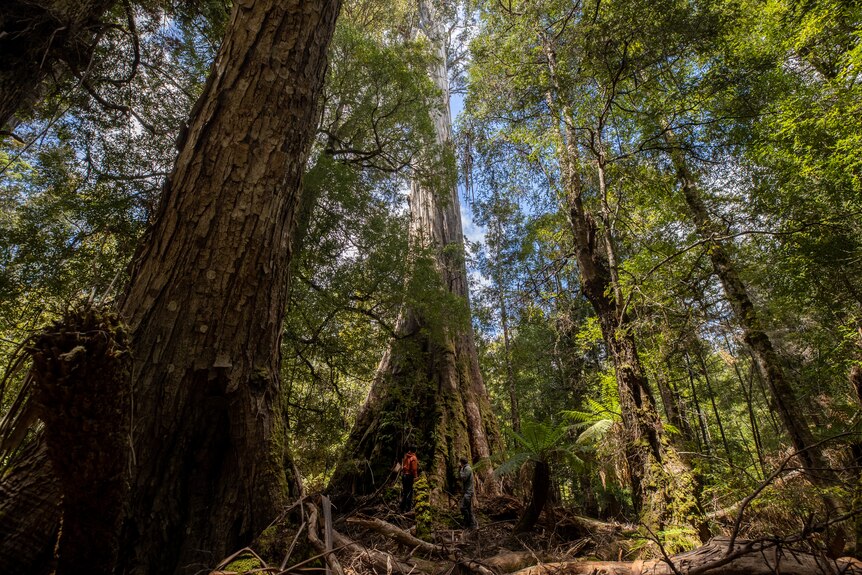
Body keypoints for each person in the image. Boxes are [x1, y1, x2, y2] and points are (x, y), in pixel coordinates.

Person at [459, 456, 478, 529]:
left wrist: (460, 470)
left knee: (463, 507)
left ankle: (467, 523)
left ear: (461, 462)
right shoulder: (466, 468)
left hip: (468, 492)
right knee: (469, 509)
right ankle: (473, 525)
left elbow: (464, 478)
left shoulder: (467, 468)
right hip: (467, 492)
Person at [399, 445, 419, 512]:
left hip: (404, 475)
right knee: (409, 492)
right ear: (415, 451)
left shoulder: (406, 456)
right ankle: (408, 509)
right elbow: (414, 469)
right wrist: (416, 477)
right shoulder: (413, 458)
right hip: (409, 476)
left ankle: (401, 508)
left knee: (405, 492)